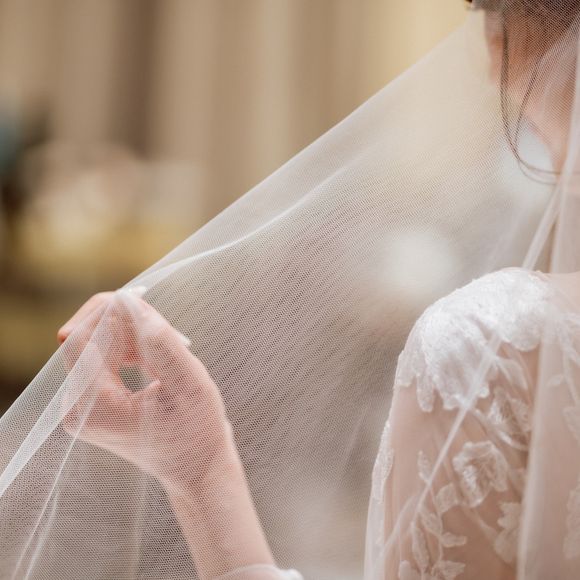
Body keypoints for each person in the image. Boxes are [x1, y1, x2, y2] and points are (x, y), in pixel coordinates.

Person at [1, 1, 578, 579]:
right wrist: (196, 463)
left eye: (487, 14)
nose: (490, 59)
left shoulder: (492, 343)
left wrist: (202, 473)